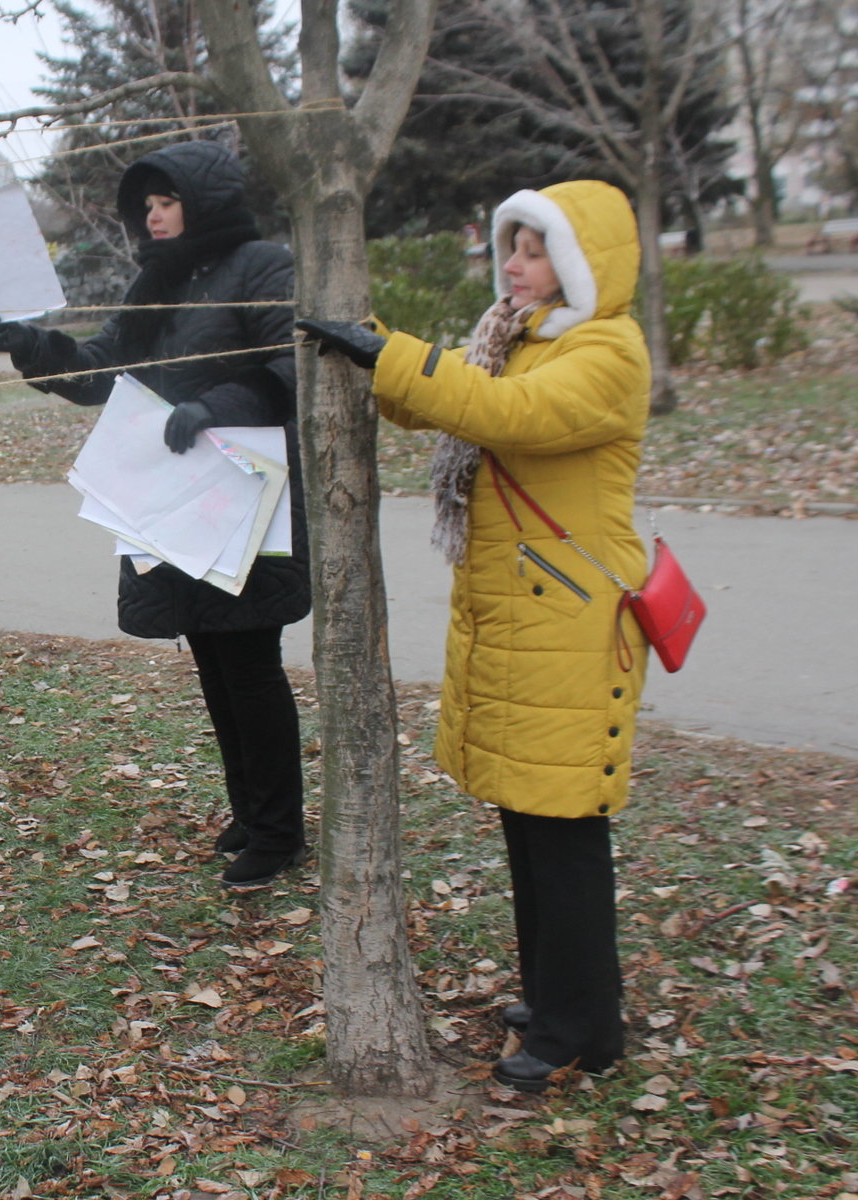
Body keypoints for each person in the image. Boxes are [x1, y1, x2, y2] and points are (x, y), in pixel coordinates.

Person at [298, 179, 651, 1093]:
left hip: (573, 627)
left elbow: (506, 417)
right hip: (528, 618)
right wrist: (364, 335)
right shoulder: (516, 340)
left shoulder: (606, 351)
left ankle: (583, 1029)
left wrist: (394, 355)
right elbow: (439, 400)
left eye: (535, 251)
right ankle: (563, 998)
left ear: (581, 263)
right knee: (529, 821)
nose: (515, 264)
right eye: (512, 247)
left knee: (564, 827)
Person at [0, 139, 312, 889]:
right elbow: (100, 370)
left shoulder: (263, 265)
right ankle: (251, 811)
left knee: (251, 665)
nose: (154, 218)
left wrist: (213, 407)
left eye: (167, 203)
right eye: (148, 207)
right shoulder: (156, 281)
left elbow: (291, 365)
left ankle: (280, 831)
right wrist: (31, 346)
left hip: (245, 497)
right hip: (171, 499)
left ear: (205, 202)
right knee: (215, 662)